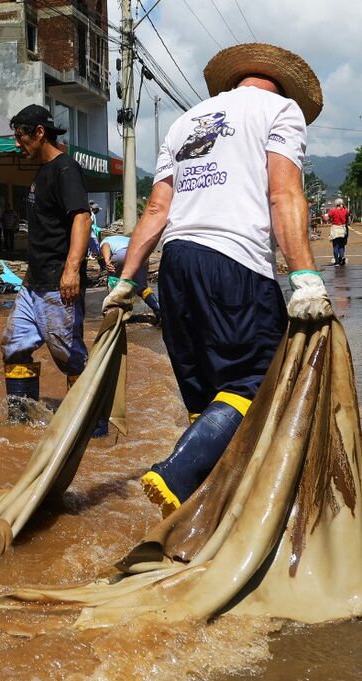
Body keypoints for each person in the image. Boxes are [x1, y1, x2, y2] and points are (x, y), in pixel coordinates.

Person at [103, 43, 332, 516]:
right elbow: (285, 194)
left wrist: (126, 282)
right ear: (282, 88)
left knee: (209, 396)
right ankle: (176, 476)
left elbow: (157, 209)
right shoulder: (279, 109)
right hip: (235, 263)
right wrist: (305, 276)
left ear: (234, 82)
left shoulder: (188, 121)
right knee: (259, 379)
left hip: (177, 266)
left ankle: (203, 516)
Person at [0, 104, 94, 427]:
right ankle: (22, 424)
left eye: (20, 137)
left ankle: (91, 427)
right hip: (33, 285)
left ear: (40, 133)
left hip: (58, 284)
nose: (17, 144)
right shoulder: (42, 173)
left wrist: (71, 270)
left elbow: (81, 217)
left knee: (70, 358)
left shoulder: (66, 169)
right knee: (13, 345)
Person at [100, 234, 161, 323]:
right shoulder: (129, 239)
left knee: (114, 283)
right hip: (142, 255)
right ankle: (158, 310)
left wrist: (107, 260)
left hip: (122, 255)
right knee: (142, 288)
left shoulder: (106, 239)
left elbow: (105, 245)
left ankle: (115, 316)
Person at [328, 197, 350, 266]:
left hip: (335, 228)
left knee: (335, 246)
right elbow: (348, 215)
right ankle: (342, 257)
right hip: (343, 229)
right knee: (341, 245)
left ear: (335, 204)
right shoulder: (345, 210)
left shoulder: (333, 211)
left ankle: (337, 261)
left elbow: (328, 217)